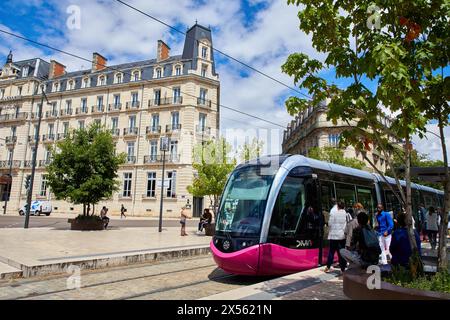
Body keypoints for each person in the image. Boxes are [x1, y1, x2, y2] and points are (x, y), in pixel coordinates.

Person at [324, 201, 348, 273]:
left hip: (334, 236)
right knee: (341, 253)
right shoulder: (345, 213)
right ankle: (343, 269)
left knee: (331, 251)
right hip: (342, 236)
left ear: (337, 206)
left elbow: (330, 223)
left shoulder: (333, 212)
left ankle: (328, 267)